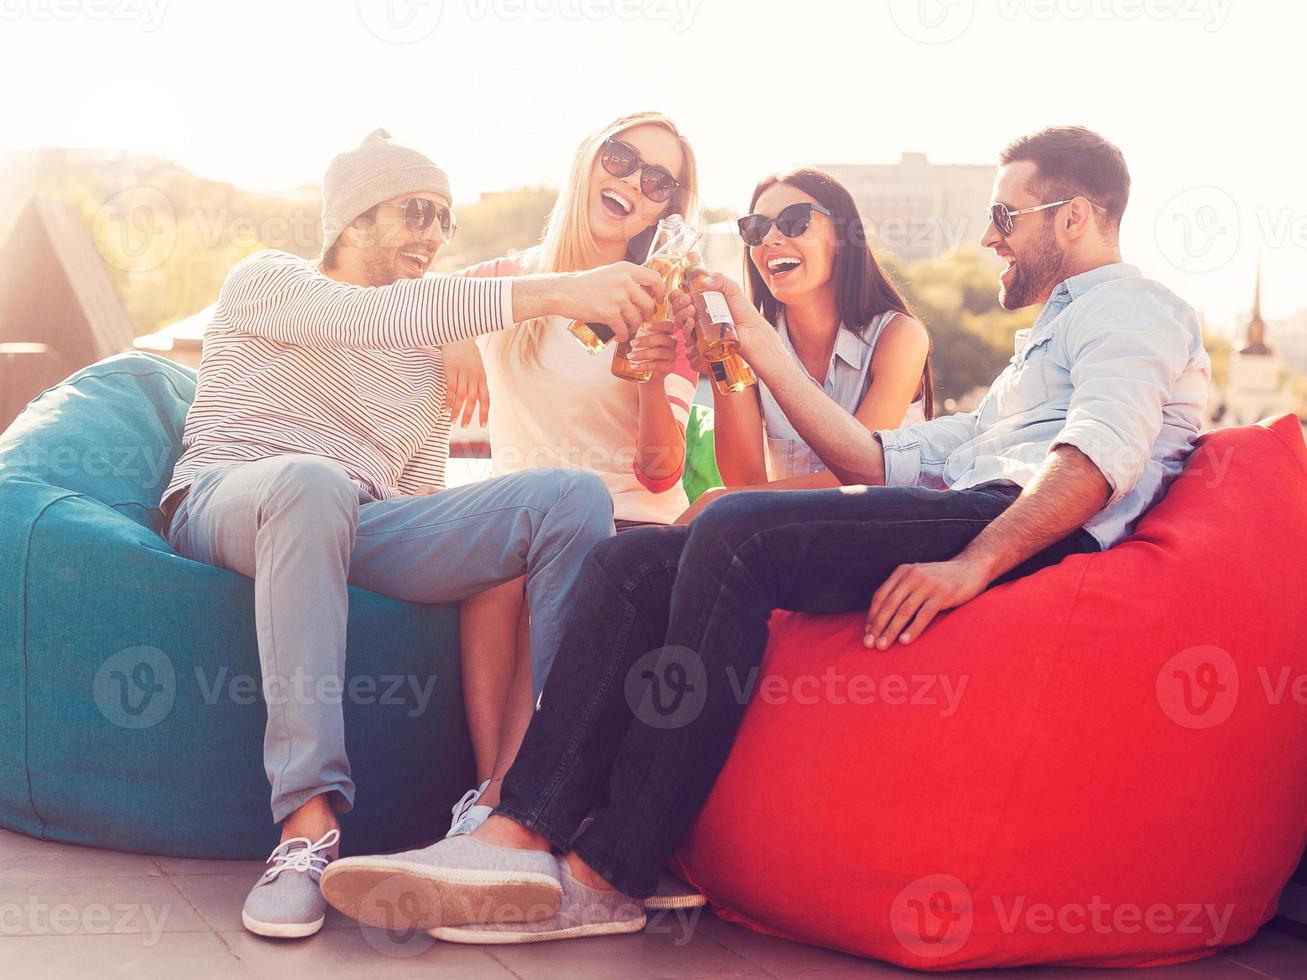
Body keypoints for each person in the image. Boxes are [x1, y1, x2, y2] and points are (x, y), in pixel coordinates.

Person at [320, 125, 1212, 945]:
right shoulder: (1043, 342)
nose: (988, 237)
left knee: (738, 532)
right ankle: (517, 830)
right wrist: (747, 336)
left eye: (1004, 215)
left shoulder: (1131, 307)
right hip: (967, 494)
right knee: (632, 560)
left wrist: (973, 562)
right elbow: (873, 454)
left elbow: (1100, 452)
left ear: (1077, 215)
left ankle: (609, 871)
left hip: (1009, 520)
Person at [160, 129, 662, 940]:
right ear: (352, 221)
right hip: (234, 494)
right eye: (414, 211)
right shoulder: (269, 279)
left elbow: (420, 493)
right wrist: (564, 290)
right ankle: (306, 826)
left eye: (444, 220)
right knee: (312, 481)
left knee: (568, 499)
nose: (431, 233)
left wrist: (450, 345)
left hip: (362, 519)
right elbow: (374, 316)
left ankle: (517, 808)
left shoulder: (427, 353)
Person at [438, 113, 701, 839]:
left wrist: (650, 375)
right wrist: (454, 331)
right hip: (522, 519)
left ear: (664, 209)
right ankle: (492, 794)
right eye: (620, 159)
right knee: (495, 572)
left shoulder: (660, 303)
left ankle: (510, 798)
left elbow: (660, 473)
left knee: (537, 566)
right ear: (589, 158)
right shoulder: (504, 283)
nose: (631, 183)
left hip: (622, 519)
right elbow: (411, 306)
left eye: (657, 182)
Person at [678, 167, 932, 524]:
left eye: (794, 222)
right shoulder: (747, 339)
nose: (770, 239)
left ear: (843, 236)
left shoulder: (899, 337)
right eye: (756, 228)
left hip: (884, 533)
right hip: (786, 539)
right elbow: (745, 481)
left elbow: (867, 473)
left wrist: (719, 502)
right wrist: (721, 361)